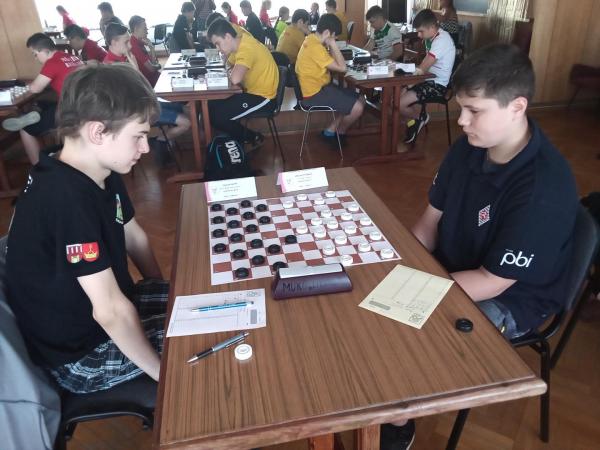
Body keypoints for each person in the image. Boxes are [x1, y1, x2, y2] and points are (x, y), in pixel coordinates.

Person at [6, 63, 170, 394]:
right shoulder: (64, 197)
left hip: (111, 310)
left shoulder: (99, 169)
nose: (145, 148)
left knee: (200, 303)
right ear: (97, 132)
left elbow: (133, 236)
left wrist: (163, 292)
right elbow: (108, 311)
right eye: (138, 136)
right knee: (202, 336)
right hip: (80, 355)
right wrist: (163, 373)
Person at [103, 23, 191, 166]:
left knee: (186, 109)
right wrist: (135, 69)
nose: (130, 46)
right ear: (114, 42)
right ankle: (160, 141)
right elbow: (139, 91)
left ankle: (165, 143)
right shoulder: (111, 67)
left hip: (146, 103)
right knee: (185, 123)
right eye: (126, 42)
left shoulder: (124, 58)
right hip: (136, 112)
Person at [1, 33, 83, 165]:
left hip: (71, 111)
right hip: (85, 104)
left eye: (35, 54)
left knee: (26, 130)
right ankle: (34, 115)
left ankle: (39, 168)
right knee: (40, 103)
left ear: (45, 51)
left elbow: (35, 88)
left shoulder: (52, 62)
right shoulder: (70, 57)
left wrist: (28, 86)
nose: (35, 58)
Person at [207, 19, 278, 148]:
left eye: (218, 44)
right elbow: (228, 66)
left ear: (228, 37)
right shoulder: (239, 45)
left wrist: (231, 71)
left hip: (264, 98)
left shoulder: (246, 48)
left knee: (217, 116)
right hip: (251, 92)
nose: (217, 49)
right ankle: (235, 141)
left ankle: (252, 138)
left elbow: (235, 78)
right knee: (211, 104)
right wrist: (231, 70)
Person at [295, 13, 365, 146]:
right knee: (358, 108)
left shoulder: (311, 39)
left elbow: (334, 63)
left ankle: (330, 131)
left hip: (319, 88)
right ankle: (339, 133)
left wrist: (331, 43)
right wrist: (333, 44)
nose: (336, 38)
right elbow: (342, 68)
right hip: (314, 94)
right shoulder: (315, 47)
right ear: (327, 33)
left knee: (361, 98)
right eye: (335, 36)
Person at [399, 9, 455, 145]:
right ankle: (415, 121)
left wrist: (407, 85)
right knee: (396, 98)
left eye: (421, 31)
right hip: (427, 79)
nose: (419, 35)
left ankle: (419, 118)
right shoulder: (432, 37)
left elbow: (422, 69)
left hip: (437, 85)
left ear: (432, 27)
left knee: (399, 103)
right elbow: (423, 67)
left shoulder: (442, 40)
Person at [128, 15, 161, 87]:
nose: (147, 31)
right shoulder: (134, 45)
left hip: (152, 77)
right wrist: (159, 66)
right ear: (136, 28)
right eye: (144, 28)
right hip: (147, 82)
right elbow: (152, 68)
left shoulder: (139, 42)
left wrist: (152, 48)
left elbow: (152, 64)